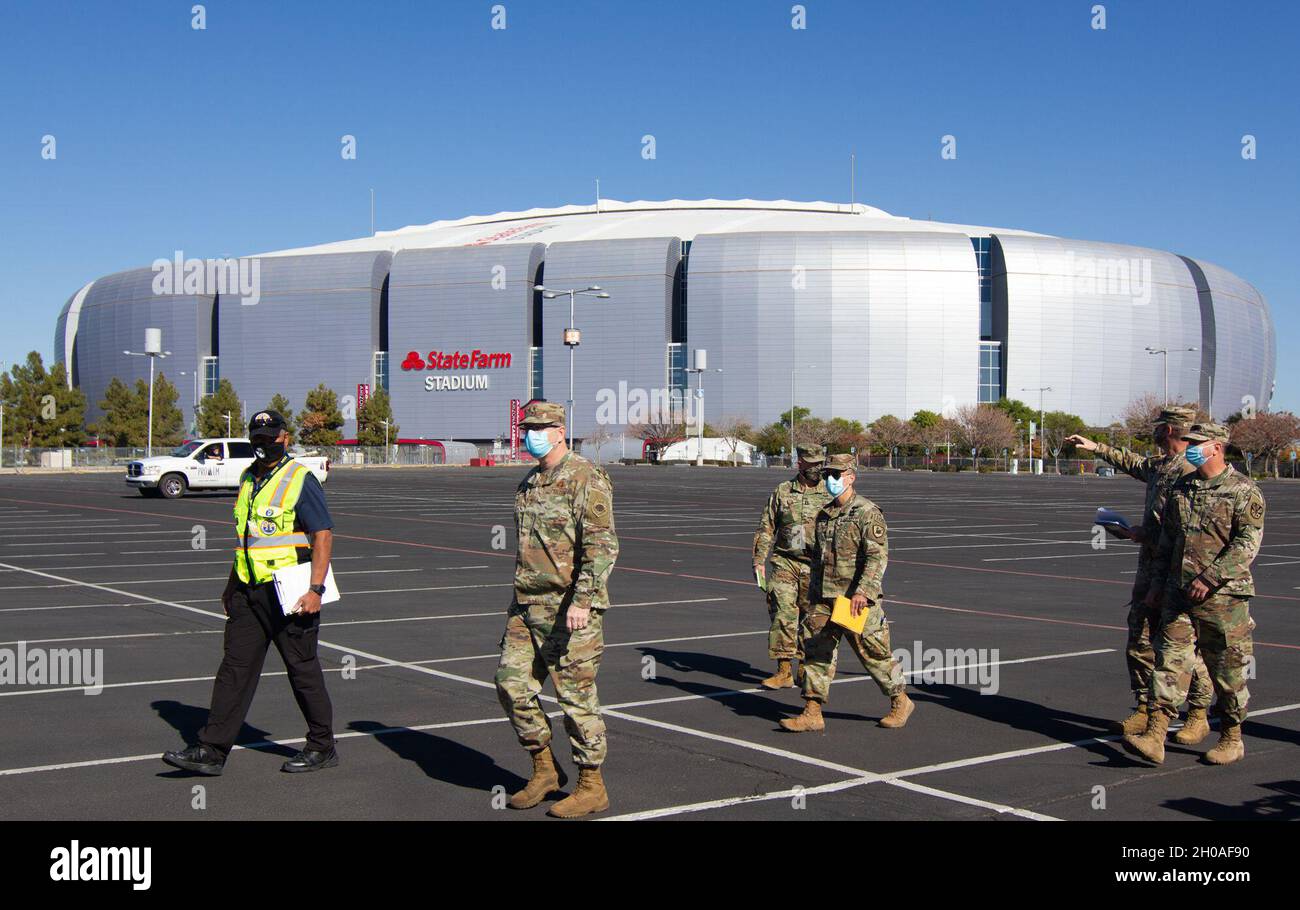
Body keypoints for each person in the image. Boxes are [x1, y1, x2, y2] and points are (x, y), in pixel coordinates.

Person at [163, 409, 338, 775]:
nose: (263, 443)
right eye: (256, 438)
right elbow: (247, 541)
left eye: (270, 436)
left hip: (290, 593)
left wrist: (316, 589)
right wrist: (231, 587)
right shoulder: (248, 479)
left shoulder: (299, 479)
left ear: (284, 438)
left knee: (301, 669)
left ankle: (322, 746)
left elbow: (322, 535)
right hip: (248, 592)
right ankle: (212, 750)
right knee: (234, 671)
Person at [495, 401, 619, 817]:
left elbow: (601, 546)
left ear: (559, 430)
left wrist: (583, 599)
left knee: (576, 700)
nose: (530, 433)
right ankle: (544, 769)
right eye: (526, 426)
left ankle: (591, 784)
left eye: (539, 427)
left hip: (568, 609)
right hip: (526, 606)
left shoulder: (586, 477)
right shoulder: (530, 482)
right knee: (511, 686)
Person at [1065, 407, 1213, 741]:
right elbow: (1132, 462)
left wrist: (1151, 534)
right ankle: (1145, 706)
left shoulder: (1196, 470)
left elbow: (1197, 526)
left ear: (1172, 430)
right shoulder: (1160, 466)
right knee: (1140, 636)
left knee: (1185, 645)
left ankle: (1199, 713)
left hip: (1183, 567)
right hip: (1151, 565)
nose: (1155, 433)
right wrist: (1096, 447)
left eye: (1160, 428)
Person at [1124, 422, 1263, 766]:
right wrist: (1157, 584)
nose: (1191, 447)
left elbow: (1247, 544)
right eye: (1189, 441)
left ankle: (1232, 736)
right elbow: (1168, 541)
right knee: (1169, 661)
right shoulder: (1184, 488)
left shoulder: (1243, 491)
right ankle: (1156, 734)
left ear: (1217, 447)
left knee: (1227, 670)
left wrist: (1212, 577)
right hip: (1178, 593)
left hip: (1223, 598)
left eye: (1198, 443)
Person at [780, 453, 912, 732]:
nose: (830, 480)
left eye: (836, 475)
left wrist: (863, 592)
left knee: (871, 652)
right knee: (815, 653)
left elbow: (877, 558)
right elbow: (816, 555)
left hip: (852, 599)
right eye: (827, 475)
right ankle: (812, 712)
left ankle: (900, 700)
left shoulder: (866, 512)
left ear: (851, 477)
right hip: (823, 598)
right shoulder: (825, 514)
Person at [752, 445, 832, 689]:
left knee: (812, 622)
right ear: (800, 464)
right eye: (812, 463)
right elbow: (767, 527)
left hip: (816, 567)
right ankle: (783, 670)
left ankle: (804, 668)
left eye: (820, 463)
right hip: (785, 561)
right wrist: (759, 561)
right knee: (783, 615)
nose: (817, 468)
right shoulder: (783, 491)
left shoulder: (829, 494)